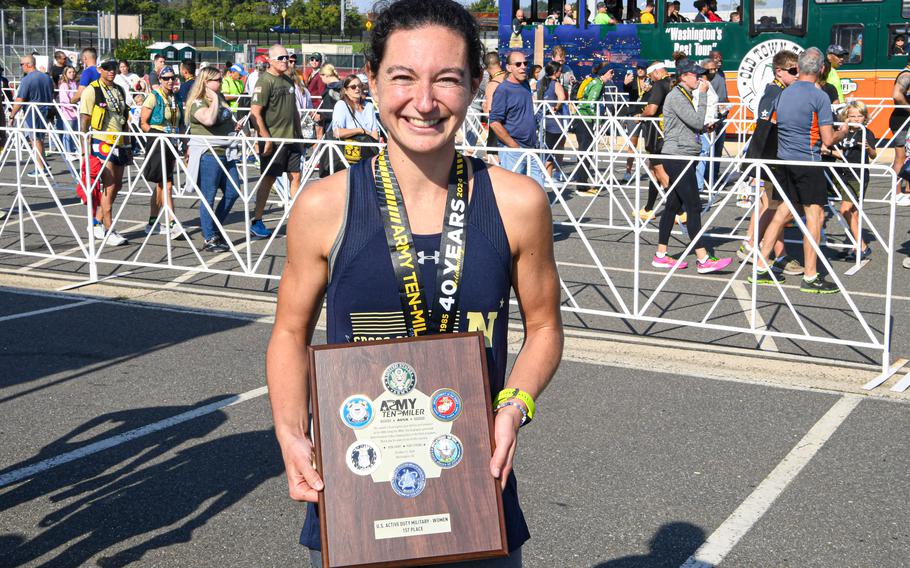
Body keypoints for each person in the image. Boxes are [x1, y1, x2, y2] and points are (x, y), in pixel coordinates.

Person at [267, 3, 562, 568]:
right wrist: (290, 430)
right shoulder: (325, 205)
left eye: (446, 79)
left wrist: (515, 405)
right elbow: (289, 330)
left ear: (476, 85)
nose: (423, 102)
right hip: (356, 495)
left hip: (477, 490)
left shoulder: (517, 203)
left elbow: (545, 328)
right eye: (402, 77)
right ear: (373, 81)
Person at [749, 47, 848, 294]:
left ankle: (761, 266)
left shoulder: (784, 93)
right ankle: (811, 276)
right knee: (815, 216)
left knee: (783, 211)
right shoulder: (820, 96)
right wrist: (843, 132)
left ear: (800, 68)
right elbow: (827, 139)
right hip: (808, 161)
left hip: (784, 160)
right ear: (822, 69)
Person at [652, 59, 732, 274]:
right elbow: (695, 121)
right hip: (678, 156)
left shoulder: (683, 95)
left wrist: (705, 128)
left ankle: (661, 255)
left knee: (672, 206)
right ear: (683, 76)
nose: (699, 78)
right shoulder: (677, 96)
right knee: (693, 206)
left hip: (682, 153)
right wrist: (704, 96)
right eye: (695, 75)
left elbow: (691, 126)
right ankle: (703, 258)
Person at [738, 49, 803, 276]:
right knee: (775, 206)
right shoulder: (774, 91)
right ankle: (751, 244)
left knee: (775, 206)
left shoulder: (784, 90)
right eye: (793, 71)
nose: (797, 75)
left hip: (777, 158)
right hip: (771, 158)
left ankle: (774, 252)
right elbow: (763, 127)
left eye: (799, 71)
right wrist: (755, 164)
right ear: (778, 71)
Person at [185, 67, 242, 253]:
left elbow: (225, 120)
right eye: (216, 80)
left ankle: (214, 228)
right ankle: (209, 237)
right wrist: (215, 98)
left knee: (233, 191)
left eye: (220, 79)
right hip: (208, 154)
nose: (220, 82)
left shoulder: (221, 98)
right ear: (206, 82)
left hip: (226, 152)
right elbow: (209, 120)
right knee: (208, 197)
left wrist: (235, 125)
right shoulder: (197, 102)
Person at [249, 44, 303, 239]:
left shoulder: (289, 81)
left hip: (291, 139)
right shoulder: (264, 81)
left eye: (287, 58)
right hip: (273, 139)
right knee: (269, 178)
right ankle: (257, 219)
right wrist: (266, 138)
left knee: (296, 176)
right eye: (281, 58)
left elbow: (294, 110)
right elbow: (255, 112)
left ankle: (297, 218)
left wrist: (299, 134)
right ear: (270, 60)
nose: (286, 61)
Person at [79, 59, 132, 246]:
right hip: (101, 142)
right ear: (99, 69)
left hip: (119, 142)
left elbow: (124, 118)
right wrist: (84, 149)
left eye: (114, 68)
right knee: (108, 186)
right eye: (107, 68)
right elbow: (84, 120)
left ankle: (96, 222)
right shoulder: (91, 90)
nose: (111, 72)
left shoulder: (119, 89)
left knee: (117, 185)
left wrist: (128, 144)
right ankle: (109, 229)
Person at [827, 101, 875, 261]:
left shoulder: (866, 132)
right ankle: (856, 246)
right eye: (852, 116)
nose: (856, 119)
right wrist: (828, 150)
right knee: (853, 212)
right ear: (846, 117)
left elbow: (874, 154)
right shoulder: (843, 132)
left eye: (859, 116)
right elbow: (839, 152)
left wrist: (868, 148)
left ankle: (862, 246)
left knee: (845, 210)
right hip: (843, 173)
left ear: (865, 117)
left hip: (858, 175)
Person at [490, 51, 544, 187]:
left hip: (531, 147)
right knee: (511, 192)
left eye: (525, 63)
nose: (523, 67)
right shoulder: (503, 90)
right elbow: (494, 122)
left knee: (538, 191)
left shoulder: (525, 84)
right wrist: (513, 145)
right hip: (513, 151)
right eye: (518, 64)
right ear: (509, 68)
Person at [140, 67, 181, 237]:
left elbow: (180, 122)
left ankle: (152, 223)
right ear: (160, 79)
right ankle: (172, 223)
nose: (170, 81)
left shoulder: (174, 97)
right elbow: (142, 122)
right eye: (166, 78)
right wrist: (154, 137)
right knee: (167, 184)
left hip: (171, 141)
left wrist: (184, 143)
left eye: (172, 78)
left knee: (161, 185)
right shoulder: (153, 96)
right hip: (158, 141)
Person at [8, 55, 55, 176]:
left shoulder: (27, 79)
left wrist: (12, 115)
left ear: (29, 64)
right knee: (39, 138)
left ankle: (40, 168)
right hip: (46, 111)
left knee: (36, 139)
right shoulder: (47, 77)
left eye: (22, 64)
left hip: (34, 112)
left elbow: (20, 99)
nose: (21, 67)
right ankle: (43, 164)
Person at [574, 62, 615, 195]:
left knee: (585, 151)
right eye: (611, 72)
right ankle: (581, 185)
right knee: (586, 152)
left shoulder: (595, 82)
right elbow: (590, 104)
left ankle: (583, 183)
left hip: (581, 119)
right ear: (604, 73)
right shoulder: (598, 84)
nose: (612, 75)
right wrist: (599, 120)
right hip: (586, 120)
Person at [639, 61, 672, 220]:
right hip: (670, 132)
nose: (651, 80)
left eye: (651, 77)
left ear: (657, 73)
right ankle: (648, 208)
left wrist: (641, 116)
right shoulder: (673, 83)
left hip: (657, 133)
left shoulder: (659, 85)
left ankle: (678, 209)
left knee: (659, 170)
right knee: (653, 169)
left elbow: (651, 110)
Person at [329, 74, 379, 164]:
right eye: (353, 87)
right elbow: (337, 132)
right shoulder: (341, 105)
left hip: (368, 153)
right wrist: (360, 130)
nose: (357, 89)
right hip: (348, 157)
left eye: (360, 86)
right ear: (346, 91)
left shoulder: (369, 106)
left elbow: (375, 133)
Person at [540, 61, 568, 179]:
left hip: (543, 118)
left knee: (546, 147)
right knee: (552, 148)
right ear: (556, 72)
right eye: (560, 71)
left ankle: (545, 176)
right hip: (555, 121)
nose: (561, 73)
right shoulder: (556, 84)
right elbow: (562, 98)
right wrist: (556, 107)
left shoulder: (540, 83)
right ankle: (549, 177)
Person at [888, 53, 910, 206]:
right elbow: (896, 94)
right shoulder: (906, 74)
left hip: (904, 120)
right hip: (902, 120)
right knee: (900, 157)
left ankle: (907, 191)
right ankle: (896, 193)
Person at [57, 65, 80, 158]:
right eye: (69, 72)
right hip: (68, 113)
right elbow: (63, 101)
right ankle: (68, 152)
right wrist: (72, 107)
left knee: (75, 132)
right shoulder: (64, 85)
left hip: (77, 112)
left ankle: (74, 150)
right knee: (68, 133)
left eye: (73, 72)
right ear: (65, 74)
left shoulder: (75, 83)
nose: (72, 74)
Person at [315, 64, 342, 139]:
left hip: (332, 126)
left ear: (326, 75)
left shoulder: (330, 91)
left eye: (321, 77)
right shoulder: (343, 86)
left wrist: (320, 115)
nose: (322, 80)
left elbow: (328, 112)